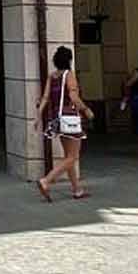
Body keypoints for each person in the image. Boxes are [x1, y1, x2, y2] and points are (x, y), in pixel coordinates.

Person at [35, 46, 95, 202]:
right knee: (73, 156)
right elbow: (74, 97)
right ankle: (46, 180)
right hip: (70, 119)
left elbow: (45, 98)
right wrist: (86, 109)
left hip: (57, 119)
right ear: (69, 60)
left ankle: (77, 190)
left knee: (69, 156)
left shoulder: (52, 76)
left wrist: (38, 116)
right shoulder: (69, 75)